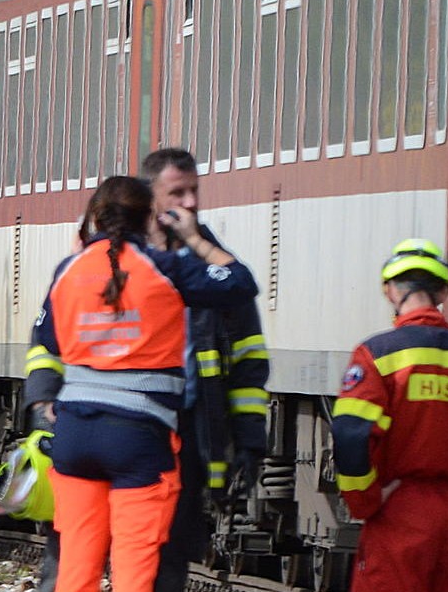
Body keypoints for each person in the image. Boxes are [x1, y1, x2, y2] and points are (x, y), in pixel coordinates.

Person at [32, 150, 271, 591]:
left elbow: (46, 338)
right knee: (139, 562)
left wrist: (46, 403)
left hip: (89, 430)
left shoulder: (72, 267)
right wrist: (200, 246)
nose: (190, 203)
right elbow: (240, 282)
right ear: (149, 204)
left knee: (78, 563)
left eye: (194, 191)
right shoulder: (175, 268)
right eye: (176, 193)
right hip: (148, 437)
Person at [332, 239, 448, 592]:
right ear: (443, 291)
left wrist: (365, 501)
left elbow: (351, 434)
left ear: (390, 291)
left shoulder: (378, 356)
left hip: (397, 505)